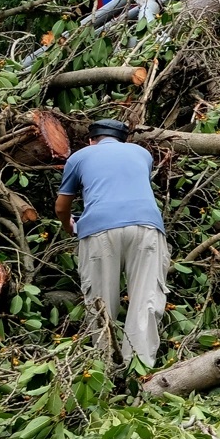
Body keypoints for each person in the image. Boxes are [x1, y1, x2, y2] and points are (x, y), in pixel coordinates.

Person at [56, 118, 168, 368]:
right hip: (146, 226)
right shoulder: (142, 154)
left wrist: (69, 226)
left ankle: (104, 367)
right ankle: (139, 368)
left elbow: (62, 206)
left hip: (99, 229)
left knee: (101, 300)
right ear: (123, 140)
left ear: (91, 140)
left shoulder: (80, 156)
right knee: (145, 299)